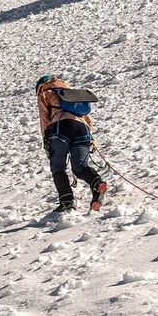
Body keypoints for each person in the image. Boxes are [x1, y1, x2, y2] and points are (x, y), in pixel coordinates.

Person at [35, 74, 109, 213]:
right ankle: (97, 184)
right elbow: (87, 119)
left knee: (58, 167)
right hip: (82, 130)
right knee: (80, 167)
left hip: (60, 128)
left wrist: (46, 138)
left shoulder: (45, 92)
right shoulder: (71, 93)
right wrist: (90, 138)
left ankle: (67, 201)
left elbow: (44, 117)